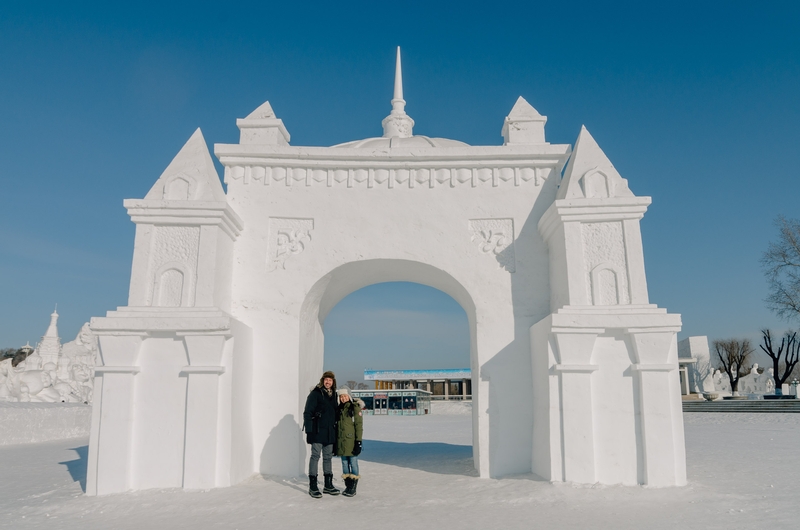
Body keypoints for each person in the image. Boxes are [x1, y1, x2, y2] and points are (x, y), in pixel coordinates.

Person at [303, 371, 341, 498]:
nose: (328, 382)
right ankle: (313, 485)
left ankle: (328, 485)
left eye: (330, 380)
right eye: (326, 379)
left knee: (328, 457)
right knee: (315, 456)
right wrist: (310, 431)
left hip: (330, 432)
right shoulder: (315, 393)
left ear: (333, 382)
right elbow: (307, 412)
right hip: (317, 431)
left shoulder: (334, 395)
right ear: (322, 380)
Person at [336, 387, 363, 497]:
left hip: (351, 441)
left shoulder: (355, 408)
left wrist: (358, 441)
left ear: (349, 397)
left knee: (353, 462)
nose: (343, 398)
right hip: (341, 442)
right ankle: (348, 486)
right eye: (341, 396)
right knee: (344, 463)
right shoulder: (339, 409)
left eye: (345, 396)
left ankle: (353, 487)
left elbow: (359, 426)